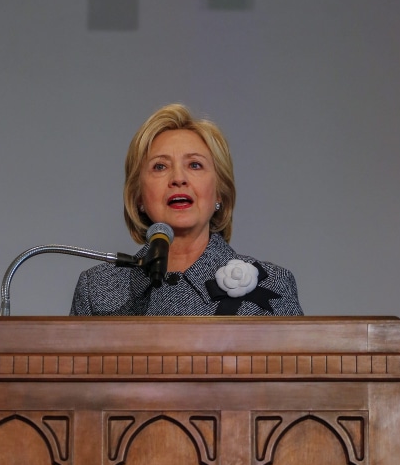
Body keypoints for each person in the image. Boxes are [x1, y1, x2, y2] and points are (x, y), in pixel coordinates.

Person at [70, 103, 304, 315]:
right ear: (138, 196)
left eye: (195, 165)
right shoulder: (97, 289)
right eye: (160, 166)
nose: (178, 179)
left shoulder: (271, 284)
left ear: (220, 192)